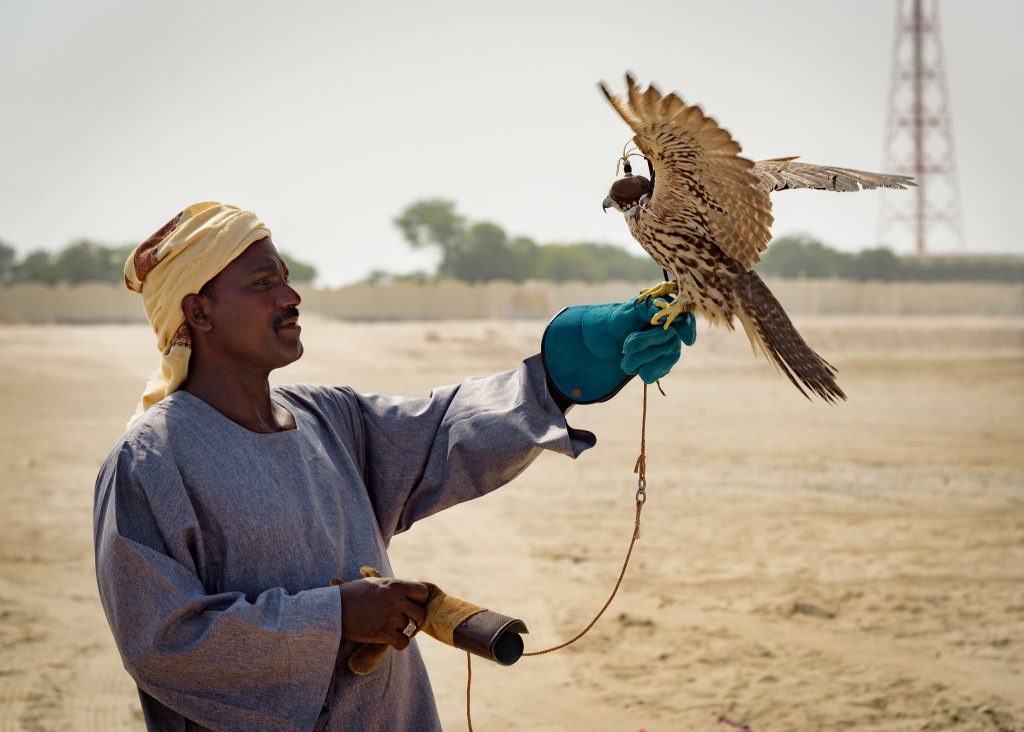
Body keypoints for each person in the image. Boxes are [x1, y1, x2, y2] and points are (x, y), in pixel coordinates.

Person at [94, 202, 695, 732]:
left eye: (286, 277)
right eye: (261, 283)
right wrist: (335, 617)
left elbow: (444, 429)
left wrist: (563, 372)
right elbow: (163, 642)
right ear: (199, 313)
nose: (290, 296)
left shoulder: (329, 417)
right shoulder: (150, 461)